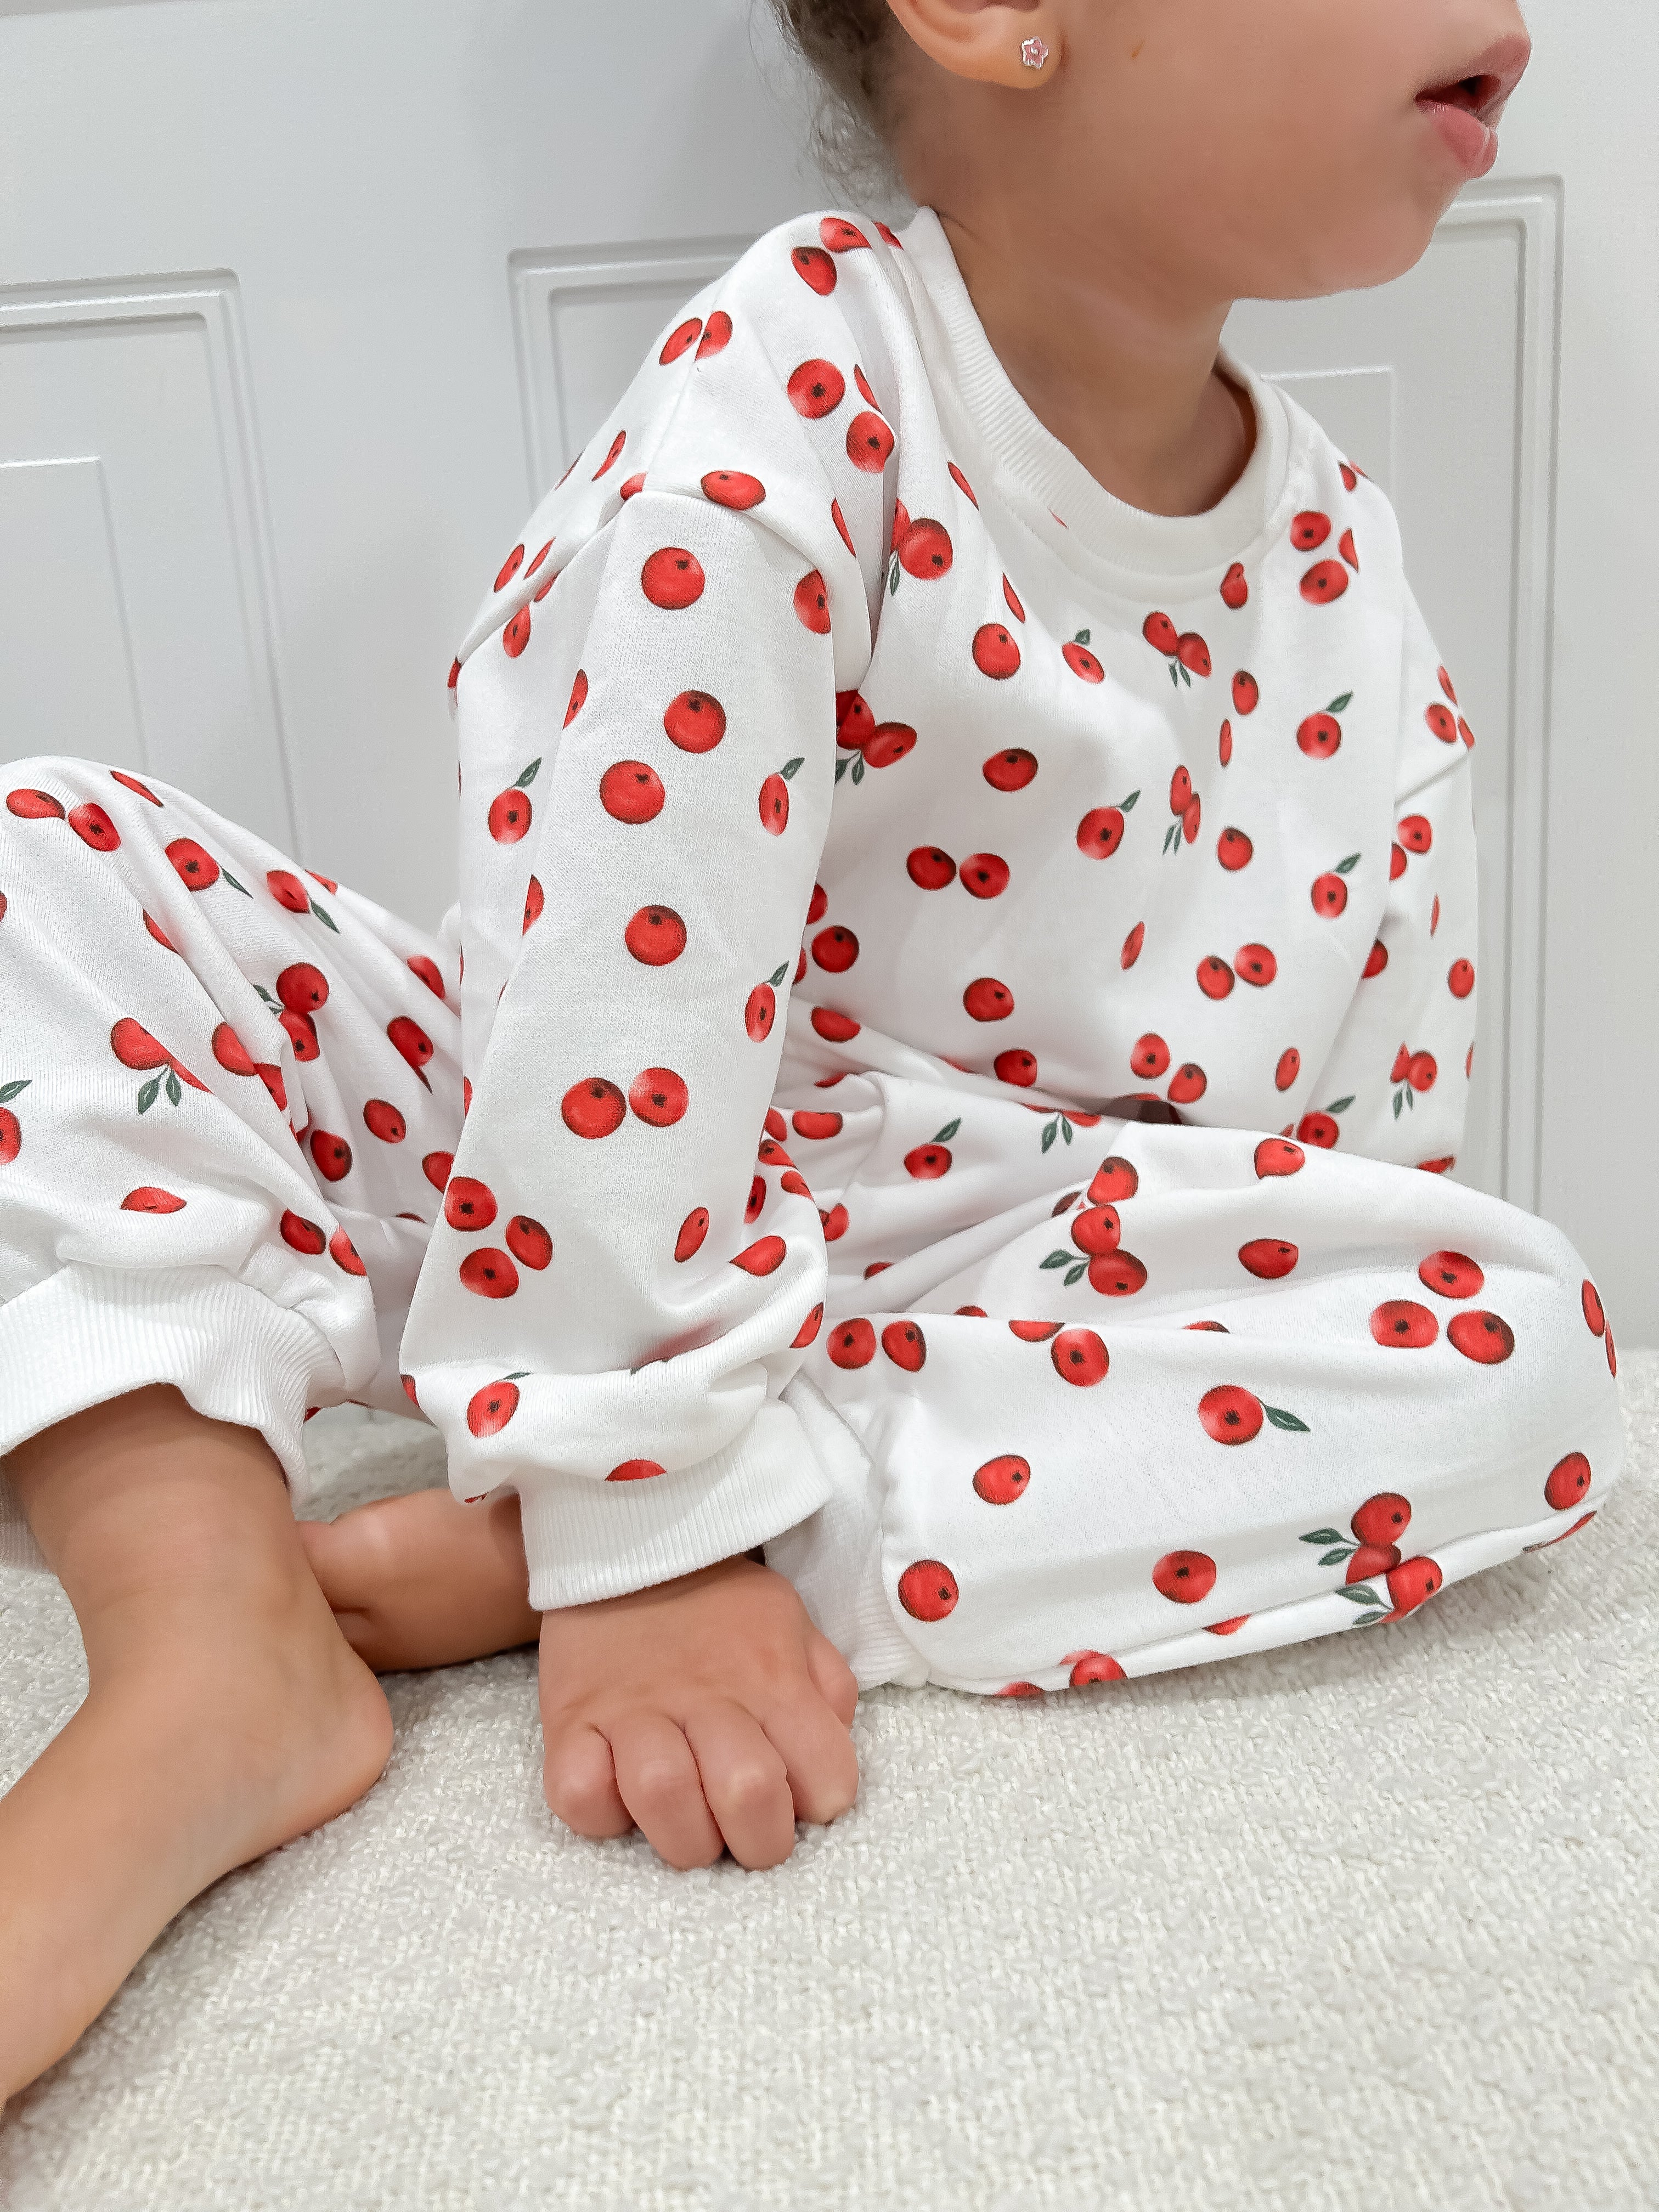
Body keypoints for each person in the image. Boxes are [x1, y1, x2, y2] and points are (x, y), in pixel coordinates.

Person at [0, 0, 1622, 2100]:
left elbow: (1363, 1166)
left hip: (999, 1283)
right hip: (561, 1165)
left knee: (1518, 1331)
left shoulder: (1347, 564)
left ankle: (741, 1508)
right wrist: (639, 1491)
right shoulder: (802, 380)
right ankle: (208, 1631)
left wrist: (1298, 1320)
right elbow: (617, 948)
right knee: (38, 860)